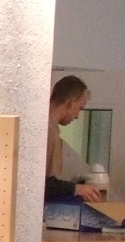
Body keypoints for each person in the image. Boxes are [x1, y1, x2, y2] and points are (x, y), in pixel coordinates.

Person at [44, 75, 102, 203]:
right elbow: (39, 182)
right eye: (79, 108)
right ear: (71, 102)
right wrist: (75, 189)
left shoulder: (51, 129)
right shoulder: (46, 131)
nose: (77, 116)